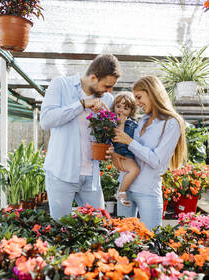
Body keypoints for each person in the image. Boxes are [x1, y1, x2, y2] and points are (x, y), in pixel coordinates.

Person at [40, 54, 121, 220]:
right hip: (61, 172)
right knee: (60, 228)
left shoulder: (107, 99)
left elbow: (107, 133)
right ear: (93, 77)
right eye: (107, 86)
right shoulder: (61, 85)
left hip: (91, 175)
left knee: (99, 226)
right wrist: (82, 105)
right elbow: (46, 120)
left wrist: (109, 144)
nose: (109, 91)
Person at [112, 75, 187, 230]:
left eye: (139, 97)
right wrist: (115, 154)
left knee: (152, 240)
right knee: (122, 240)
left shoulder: (171, 123)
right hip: (125, 188)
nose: (137, 103)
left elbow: (157, 161)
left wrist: (130, 142)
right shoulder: (142, 121)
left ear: (152, 92)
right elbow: (129, 154)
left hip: (147, 191)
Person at [111, 91, 140, 206]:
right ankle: (121, 192)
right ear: (114, 107)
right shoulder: (110, 123)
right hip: (121, 154)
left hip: (129, 154)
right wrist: (119, 124)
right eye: (118, 106)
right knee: (134, 170)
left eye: (125, 108)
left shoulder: (133, 125)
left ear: (131, 111)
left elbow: (135, 140)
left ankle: (122, 191)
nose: (121, 110)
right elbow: (112, 138)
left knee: (134, 170)